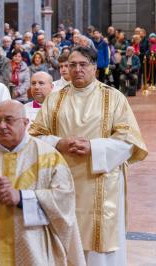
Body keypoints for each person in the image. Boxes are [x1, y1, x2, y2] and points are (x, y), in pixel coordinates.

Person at [29, 46, 148, 265]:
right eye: (72, 65)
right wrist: (59, 143)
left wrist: (94, 148)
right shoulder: (54, 99)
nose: (77, 70)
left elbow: (129, 141)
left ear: (94, 67)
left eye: (83, 64)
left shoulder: (113, 98)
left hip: (101, 182)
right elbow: (33, 138)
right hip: (62, 182)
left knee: (100, 251)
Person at [0, 100, 85, 265]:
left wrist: (22, 198)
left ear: (25, 122)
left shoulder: (48, 156)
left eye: (9, 120)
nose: (2, 126)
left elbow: (64, 200)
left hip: (33, 247)